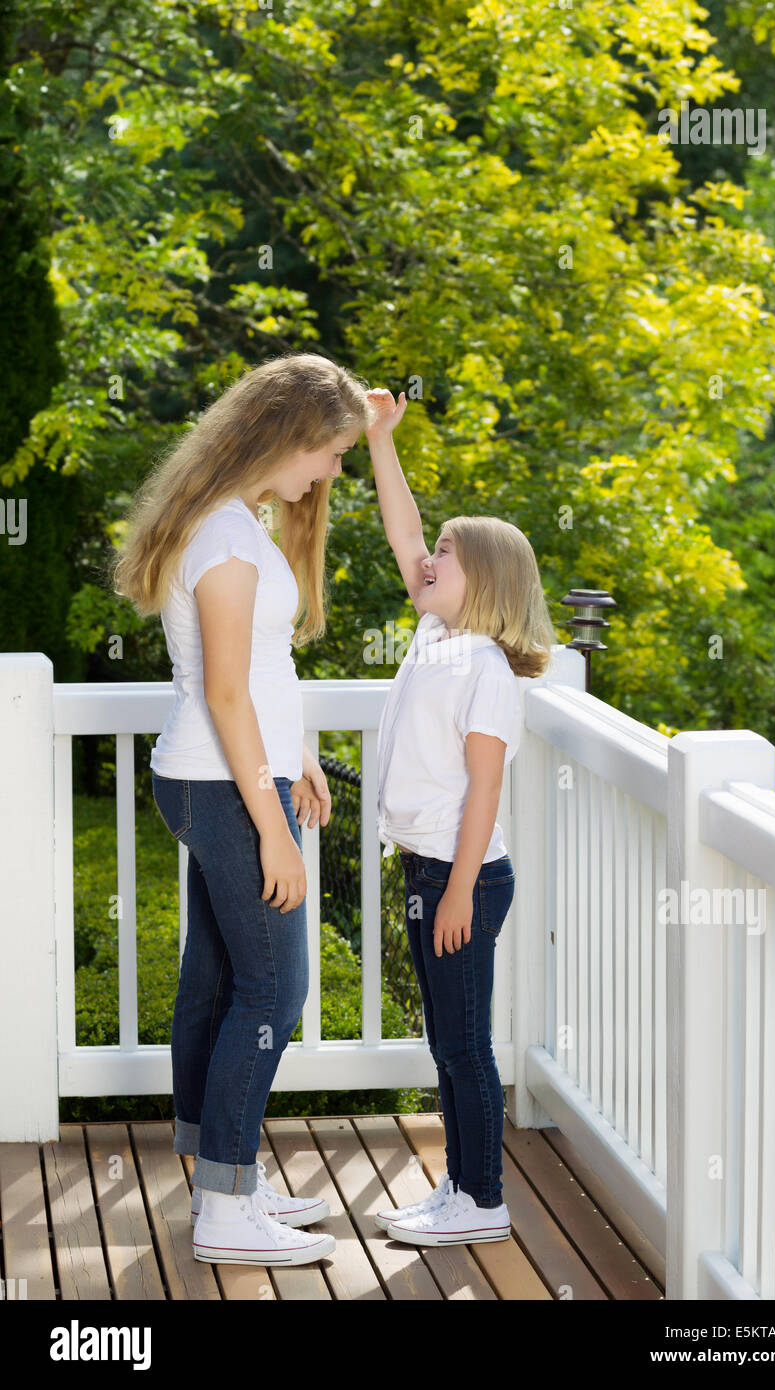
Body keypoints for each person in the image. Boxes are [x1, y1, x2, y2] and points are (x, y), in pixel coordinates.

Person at [111, 352, 374, 1266]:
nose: (332, 470)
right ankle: (224, 1212)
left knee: (218, 983)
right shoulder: (224, 540)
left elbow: (264, 670)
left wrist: (298, 756)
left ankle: (221, 1173)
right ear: (290, 436)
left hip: (236, 775)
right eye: (333, 451)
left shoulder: (235, 523)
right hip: (225, 784)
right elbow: (223, 693)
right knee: (272, 991)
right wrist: (274, 829)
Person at [365, 387, 554, 1245]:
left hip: (463, 875)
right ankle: (459, 1186)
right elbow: (401, 531)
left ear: (485, 581)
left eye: (445, 552)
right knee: (447, 1039)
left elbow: (485, 793)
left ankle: (481, 1201)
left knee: (466, 1045)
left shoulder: (482, 667)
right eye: (431, 550)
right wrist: (380, 439)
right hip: (431, 866)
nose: (426, 557)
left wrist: (458, 895)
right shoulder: (435, 637)